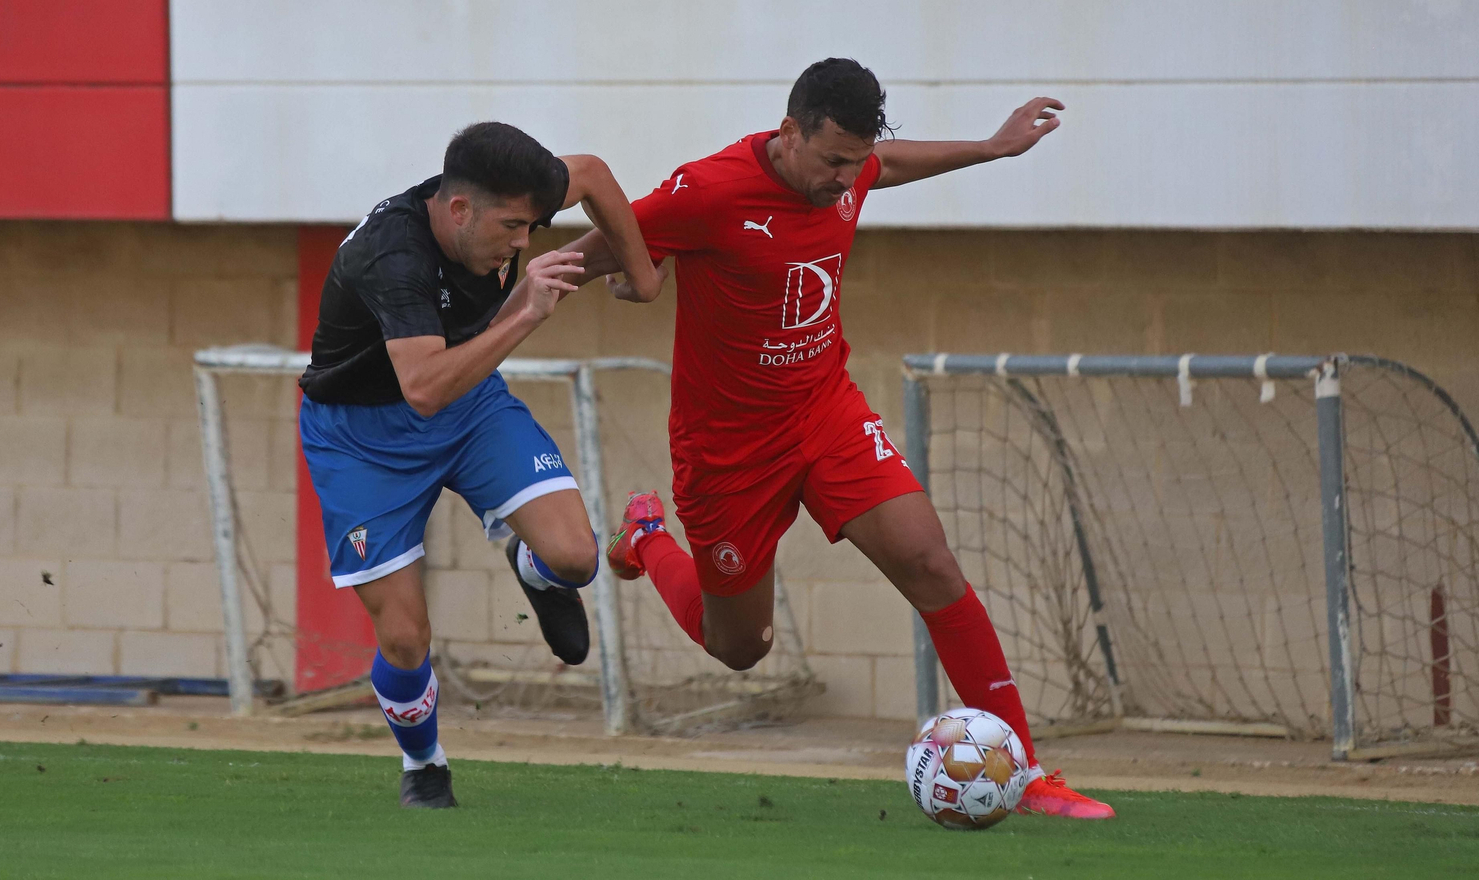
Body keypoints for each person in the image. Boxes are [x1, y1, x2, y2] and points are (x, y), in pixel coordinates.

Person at [567, 58, 1112, 819]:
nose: (846, 179)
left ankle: (1024, 776)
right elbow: (597, 249)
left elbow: (890, 163)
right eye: (832, 162)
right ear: (789, 133)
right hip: (728, 449)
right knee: (741, 647)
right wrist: (530, 295)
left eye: (856, 164)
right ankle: (648, 538)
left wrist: (991, 148)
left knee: (930, 561)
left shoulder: (848, 168)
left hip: (826, 413)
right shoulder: (711, 190)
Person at [298, 121, 658, 808]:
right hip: (364, 437)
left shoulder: (514, 195)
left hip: (470, 406)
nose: (524, 243)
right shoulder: (393, 257)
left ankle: (532, 568)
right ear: (458, 210)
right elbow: (425, 388)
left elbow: (594, 174)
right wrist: (527, 313)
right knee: (405, 638)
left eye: (534, 226)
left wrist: (641, 277)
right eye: (513, 227)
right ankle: (424, 765)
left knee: (576, 557)